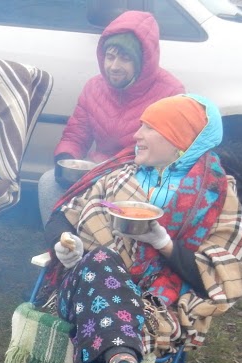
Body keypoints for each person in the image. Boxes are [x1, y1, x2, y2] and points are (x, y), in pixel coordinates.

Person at [34, 94, 242, 363]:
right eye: (140, 125)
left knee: (105, 321)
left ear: (178, 140)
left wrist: (163, 243)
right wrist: (65, 246)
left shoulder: (217, 194)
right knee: (101, 261)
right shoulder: (119, 174)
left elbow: (224, 275)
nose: (136, 135)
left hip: (157, 303)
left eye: (150, 128)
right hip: (83, 285)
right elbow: (62, 216)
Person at [37, 10, 185, 226]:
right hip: (96, 171)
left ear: (143, 61)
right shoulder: (94, 87)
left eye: (125, 58)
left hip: (141, 177)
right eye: (110, 56)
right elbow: (75, 136)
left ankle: (109, 245)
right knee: (48, 183)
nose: (114, 67)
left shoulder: (170, 92)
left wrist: (113, 172)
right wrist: (67, 162)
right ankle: (62, 243)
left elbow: (170, 154)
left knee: (114, 201)